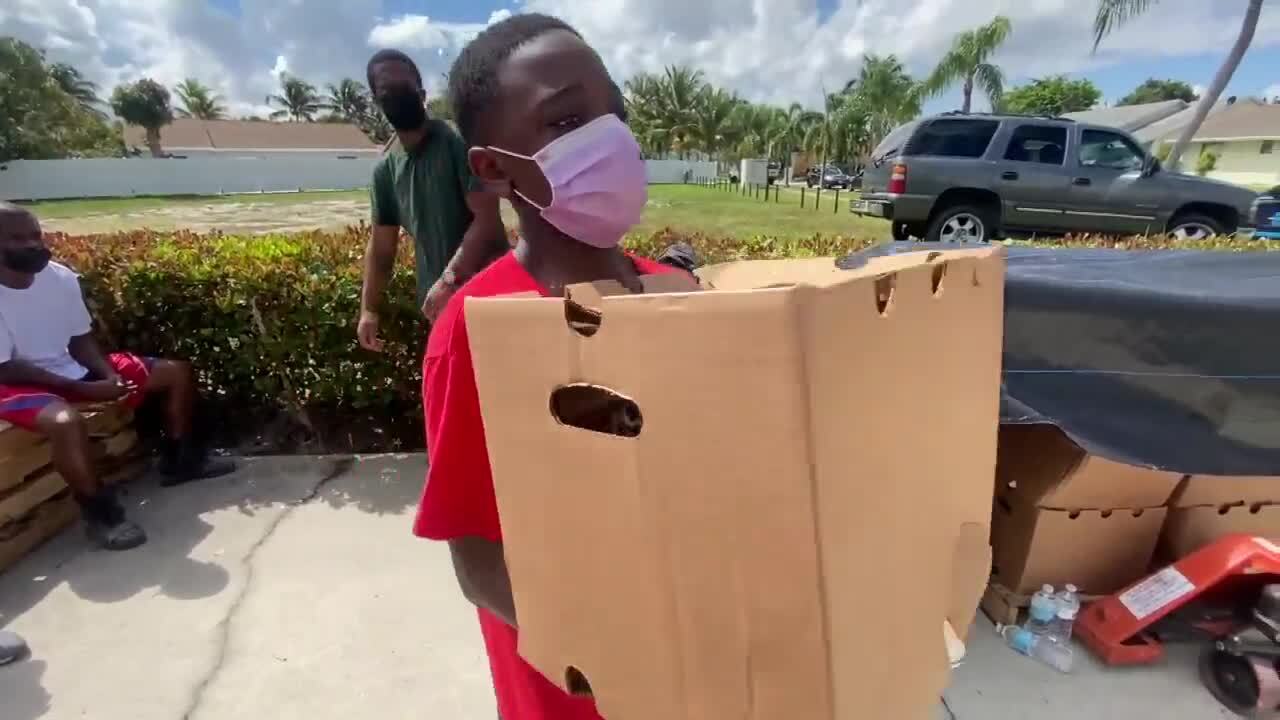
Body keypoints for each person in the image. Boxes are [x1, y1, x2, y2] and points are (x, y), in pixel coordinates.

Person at [413, 14, 680, 720]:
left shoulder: (680, 299)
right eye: (565, 120)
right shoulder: (475, 332)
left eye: (612, 113)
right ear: (494, 167)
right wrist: (614, 660)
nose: (610, 138)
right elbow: (477, 563)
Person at [0, 204, 235, 551]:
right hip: (13, 382)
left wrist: (108, 375)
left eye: (36, 235)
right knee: (66, 423)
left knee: (175, 373)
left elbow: (79, 337)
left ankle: (180, 461)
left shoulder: (60, 277)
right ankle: (102, 515)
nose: (33, 245)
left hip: (66, 368)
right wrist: (82, 388)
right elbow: (7, 367)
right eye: (18, 239)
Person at [357, 49, 508, 351]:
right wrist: (368, 310)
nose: (398, 95)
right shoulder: (386, 171)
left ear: (422, 92)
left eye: (405, 87)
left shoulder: (456, 142)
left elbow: (487, 220)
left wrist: (449, 281)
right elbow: (382, 248)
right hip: (440, 308)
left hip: (491, 295)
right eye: (388, 91)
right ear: (376, 100)